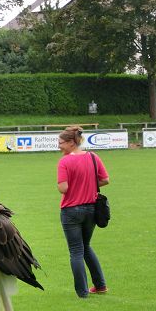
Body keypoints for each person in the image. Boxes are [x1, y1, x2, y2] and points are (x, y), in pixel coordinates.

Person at [56, 126, 109, 298]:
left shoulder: (64, 162)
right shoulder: (93, 157)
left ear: (71, 142)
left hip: (71, 211)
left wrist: (68, 185)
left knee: (76, 251)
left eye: (61, 143)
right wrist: (88, 185)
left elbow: (63, 188)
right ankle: (100, 285)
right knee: (85, 247)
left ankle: (82, 292)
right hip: (91, 210)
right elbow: (105, 180)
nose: (58, 146)